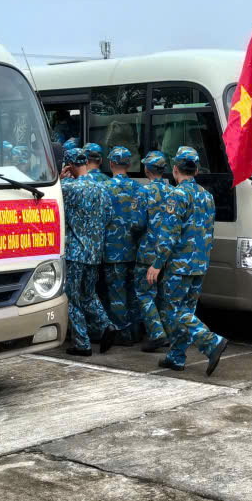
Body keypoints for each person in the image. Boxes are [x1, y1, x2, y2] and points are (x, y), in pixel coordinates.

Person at [147, 147, 228, 375]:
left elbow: (169, 233)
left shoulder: (177, 195)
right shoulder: (207, 195)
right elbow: (209, 231)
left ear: (175, 169)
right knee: (187, 311)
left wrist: (157, 263)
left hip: (179, 265)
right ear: (197, 170)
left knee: (173, 311)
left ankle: (211, 342)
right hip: (199, 264)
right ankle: (176, 356)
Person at [59, 147, 117, 356]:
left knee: (72, 299)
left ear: (69, 165)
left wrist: (61, 177)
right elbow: (109, 217)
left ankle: (82, 344)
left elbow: (54, 201)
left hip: (75, 253)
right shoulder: (102, 188)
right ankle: (106, 324)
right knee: (89, 295)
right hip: (94, 253)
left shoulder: (68, 187)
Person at [101, 146, 144, 343]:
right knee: (133, 292)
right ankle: (136, 332)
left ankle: (122, 334)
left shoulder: (105, 189)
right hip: (135, 251)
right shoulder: (139, 189)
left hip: (113, 252)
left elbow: (100, 221)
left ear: (110, 164)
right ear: (128, 165)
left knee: (116, 293)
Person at [136, 151, 174, 352]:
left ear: (147, 169)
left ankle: (157, 334)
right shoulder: (173, 190)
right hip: (167, 251)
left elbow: (137, 222)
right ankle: (168, 333)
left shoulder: (144, 192)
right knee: (162, 295)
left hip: (148, 252)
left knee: (144, 293)